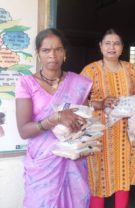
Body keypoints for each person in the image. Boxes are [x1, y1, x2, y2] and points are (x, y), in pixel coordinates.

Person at [15, 28, 92, 208]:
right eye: (46, 50)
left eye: (58, 49)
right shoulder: (27, 83)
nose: (53, 55)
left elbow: (86, 123)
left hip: (73, 162)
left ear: (65, 53)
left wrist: (86, 140)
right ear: (38, 54)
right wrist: (55, 118)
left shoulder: (78, 83)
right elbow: (24, 131)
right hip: (42, 165)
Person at [80, 28, 135, 208]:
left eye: (116, 43)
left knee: (122, 175)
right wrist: (100, 104)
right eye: (107, 43)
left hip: (125, 134)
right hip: (98, 133)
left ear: (122, 47)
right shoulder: (90, 71)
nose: (112, 47)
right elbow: (79, 103)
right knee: (98, 177)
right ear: (100, 46)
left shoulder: (130, 69)